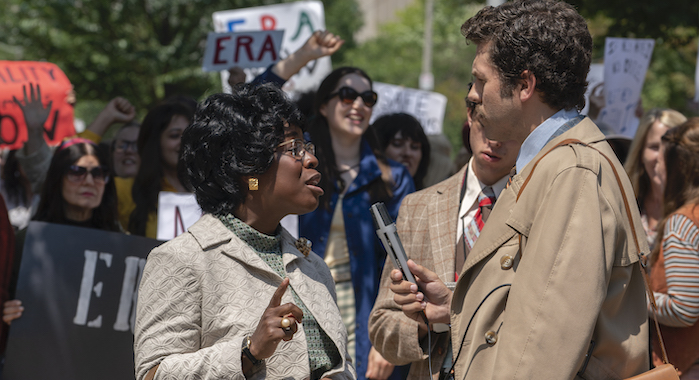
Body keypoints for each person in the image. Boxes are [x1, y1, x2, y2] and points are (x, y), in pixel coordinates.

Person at [385, 1, 650, 378]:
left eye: (480, 80)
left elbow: (542, 347)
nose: (472, 94)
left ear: (524, 85)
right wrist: (458, 308)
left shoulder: (571, 172)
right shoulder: (555, 164)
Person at [134, 84, 354, 380]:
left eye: (308, 147)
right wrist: (249, 351)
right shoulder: (181, 259)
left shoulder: (314, 266)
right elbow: (153, 375)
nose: (311, 159)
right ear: (248, 168)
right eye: (294, 149)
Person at [369, 100, 520, 379]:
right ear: (470, 118)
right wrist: (425, 322)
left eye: (509, 130)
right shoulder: (419, 207)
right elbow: (382, 328)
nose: (496, 140)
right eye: (487, 125)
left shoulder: (536, 208)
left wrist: (455, 311)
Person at [299, 67, 415, 380]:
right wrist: (299, 59)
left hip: (362, 313)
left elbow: (402, 262)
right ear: (323, 105)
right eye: (348, 95)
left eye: (368, 98)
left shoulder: (393, 177)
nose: (358, 105)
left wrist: (387, 338)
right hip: (300, 307)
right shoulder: (296, 167)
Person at [2, 137, 119, 339]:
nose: (89, 181)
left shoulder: (123, 246)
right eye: (77, 172)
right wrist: (7, 312)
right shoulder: (27, 241)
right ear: (58, 177)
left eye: (99, 173)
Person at [649, 118, 699, 378]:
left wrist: (636, 294)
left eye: (661, 161)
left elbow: (684, 308)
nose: (656, 167)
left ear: (679, 168)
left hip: (682, 367)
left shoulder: (683, 222)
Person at [117, 98, 195, 237]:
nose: (184, 142)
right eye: (175, 136)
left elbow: (248, 185)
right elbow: (74, 159)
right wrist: (107, 116)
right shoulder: (128, 190)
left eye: (189, 135)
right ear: (155, 143)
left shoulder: (213, 188)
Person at [625, 108, 687, 248]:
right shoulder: (625, 205)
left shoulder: (693, 209)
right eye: (654, 147)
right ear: (640, 153)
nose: (662, 157)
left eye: (671, 147)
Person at [373, 113, 431, 190]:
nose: (407, 153)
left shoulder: (430, 199)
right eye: (397, 144)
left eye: (414, 147)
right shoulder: (360, 196)